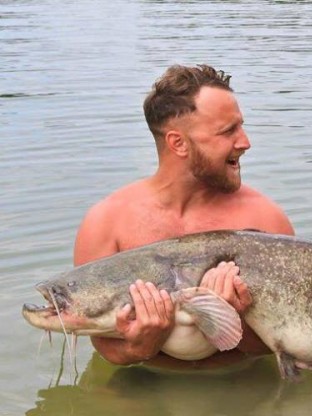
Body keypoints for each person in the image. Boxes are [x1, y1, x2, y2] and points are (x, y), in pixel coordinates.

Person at [73, 64, 294, 367]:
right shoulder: (106, 222)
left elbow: (286, 341)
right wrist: (142, 347)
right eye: (228, 131)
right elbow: (105, 346)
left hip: (244, 379)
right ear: (178, 143)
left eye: (241, 126)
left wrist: (235, 319)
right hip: (146, 382)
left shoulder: (266, 219)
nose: (245, 142)